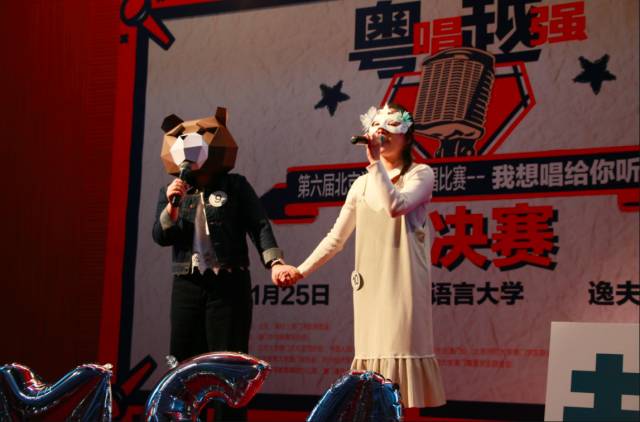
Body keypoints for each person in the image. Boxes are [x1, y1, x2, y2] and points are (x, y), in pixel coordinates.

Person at [274, 104, 446, 409]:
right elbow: (336, 238)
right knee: (372, 380)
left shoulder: (420, 174)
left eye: (390, 129)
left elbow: (395, 206)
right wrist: (301, 270)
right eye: (377, 129)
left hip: (402, 285)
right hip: (370, 288)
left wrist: (375, 163)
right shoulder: (361, 184)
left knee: (400, 372)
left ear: (407, 137)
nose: (382, 134)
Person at [153, 110, 286, 421]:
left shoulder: (235, 186)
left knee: (228, 368)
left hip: (228, 285)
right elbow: (161, 236)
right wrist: (171, 208)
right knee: (183, 367)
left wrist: (275, 261)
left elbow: (258, 224)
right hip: (187, 285)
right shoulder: (172, 190)